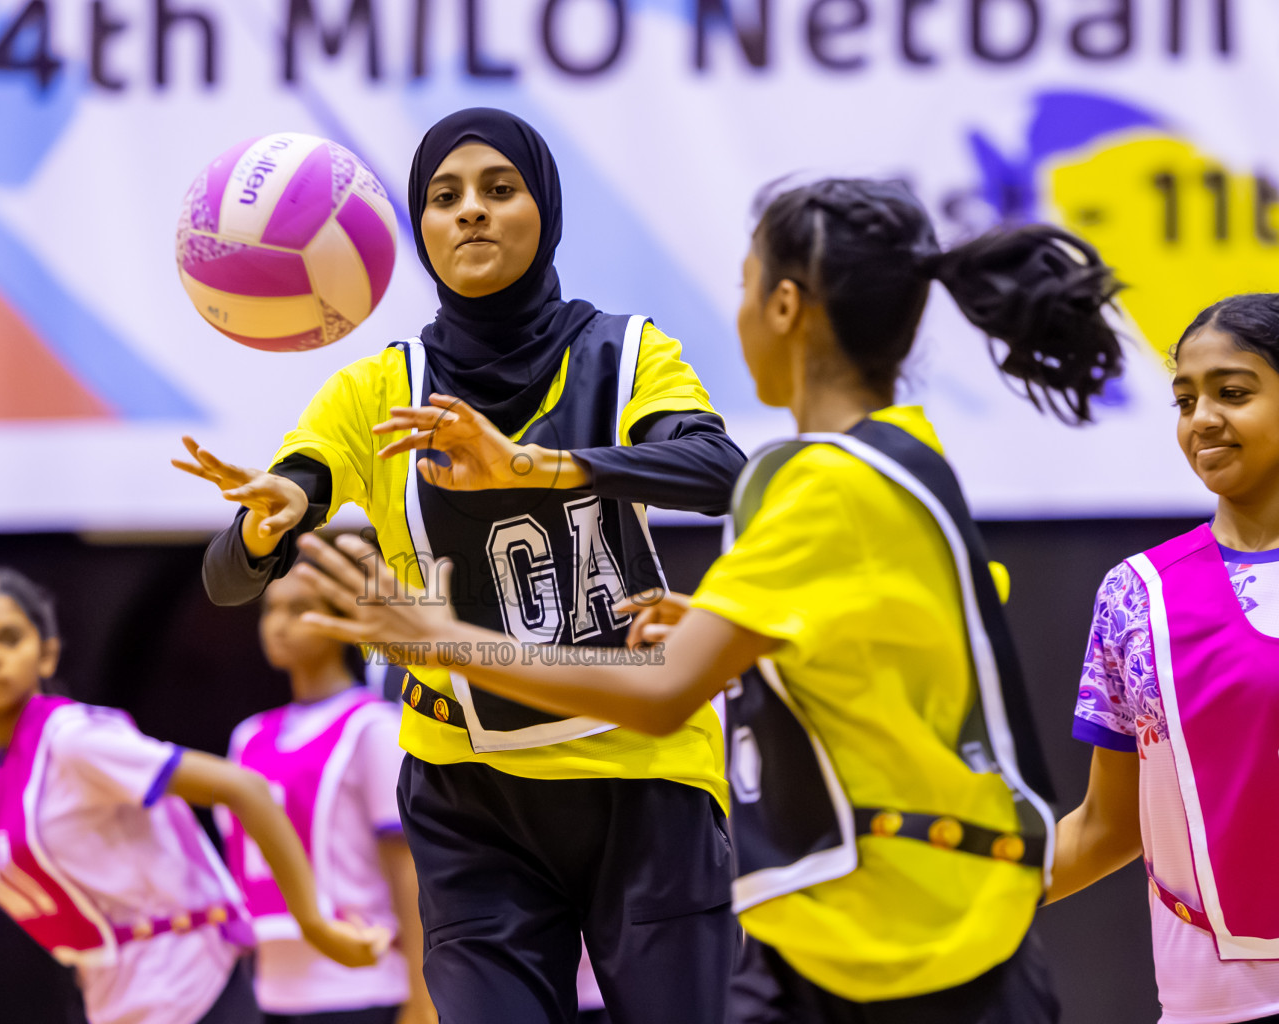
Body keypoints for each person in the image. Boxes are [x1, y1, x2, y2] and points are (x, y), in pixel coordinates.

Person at [291, 178, 1127, 1023]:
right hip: (900, 926)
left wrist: (450, 641)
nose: (737, 311)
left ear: (786, 307)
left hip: (909, 947)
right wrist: (743, 638)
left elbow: (659, 696)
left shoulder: (819, 488)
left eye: (744, 285)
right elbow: (888, 641)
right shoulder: (902, 455)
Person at [175, 107, 747, 1024]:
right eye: (445, 198)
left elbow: (722, 475)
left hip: (643, 776)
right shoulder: (373, 391)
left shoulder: (628, 352)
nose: (470, 212)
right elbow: (227, 576)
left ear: (544, 208)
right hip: (468, 795)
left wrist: (540, 468)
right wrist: (264, 526)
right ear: (421, 230)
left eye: (498, 189)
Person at [0, 566, 385, 1024]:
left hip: (197, 979)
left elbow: (242, 786)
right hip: (111, 996)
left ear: (46, 653)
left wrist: (314, 921)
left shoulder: (74, 739)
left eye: (9, 637)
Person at [1049, 294, 1279, 1024]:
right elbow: (1107, 825)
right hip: (1207, 1007)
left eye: (1233, 393)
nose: (1202, 418)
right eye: (1185, 399)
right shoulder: (1134, 597)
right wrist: (947, 903)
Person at [219, 565, 433, 1023]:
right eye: (270, 609)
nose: (278, 624)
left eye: (299, 609)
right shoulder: (248, 736)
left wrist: (422, 997)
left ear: (342, 620)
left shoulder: (372, 727)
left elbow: (408, 870)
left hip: (363, 986)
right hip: (273, 990)